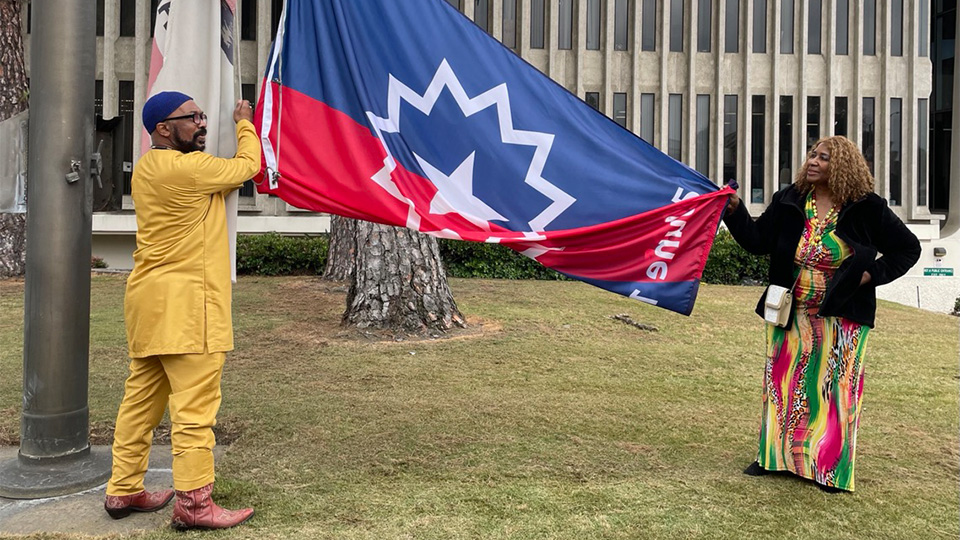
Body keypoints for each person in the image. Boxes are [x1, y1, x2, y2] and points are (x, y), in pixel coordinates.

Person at [723, 135, 920, 493]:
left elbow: (908, 249)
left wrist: (870, 275)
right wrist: (734, 209)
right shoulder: (790, 199)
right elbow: (757, 241)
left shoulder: (867, 207)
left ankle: (829, 467)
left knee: (834, 390)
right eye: (812, 155)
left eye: (823, 157)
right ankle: (776, 458)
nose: (812, 161)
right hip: (791, 310)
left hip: (842, 314)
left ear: (842, 166)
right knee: (783, 385)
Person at [103, 91, 261, 529]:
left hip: (149, 304)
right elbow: (247, 167)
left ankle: (123, 488)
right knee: (195, 411)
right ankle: (195, 506)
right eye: (192, 117)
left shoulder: (149, 167)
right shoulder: (186, 169)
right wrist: (244, 123)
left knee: (140, 403)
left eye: (202, 114)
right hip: (189, 307)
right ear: (163, 129)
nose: (202, 123)